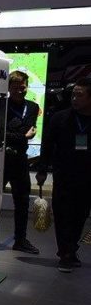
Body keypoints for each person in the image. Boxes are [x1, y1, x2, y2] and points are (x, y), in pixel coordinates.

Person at [36, 77, 91, 273]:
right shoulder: (60, 118)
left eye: (79, 95)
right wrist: (42, 169)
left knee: (80, 215)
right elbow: (47, 145)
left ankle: (71, 248)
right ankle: (65, 253)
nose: (74, 99)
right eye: (73, 95)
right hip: (64, 174)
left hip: (87, 177)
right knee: (62, 214)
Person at [4, 70, 40, 254]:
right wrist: (22, 136)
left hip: (20, 159)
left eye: (23, 87)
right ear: (8, 87)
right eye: (15, 87)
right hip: (1, 159)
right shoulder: (1, 106)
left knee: (23, 203)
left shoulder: (32, 107)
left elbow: (30, 130)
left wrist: (15, 135)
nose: (19, 90)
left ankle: (20, 240)